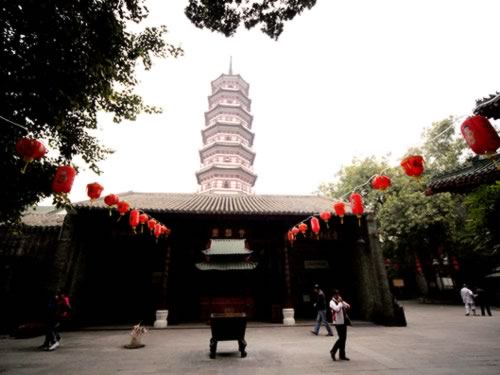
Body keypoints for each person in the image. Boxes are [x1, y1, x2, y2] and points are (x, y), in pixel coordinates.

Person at [329, 289, 351, 361]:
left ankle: (342, 355)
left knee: (344, 339)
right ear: (333, 295)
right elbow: (337, 309)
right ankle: (333, 350)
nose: (337, 295)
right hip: (338, 322)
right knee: (341, 338)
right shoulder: (331, 302)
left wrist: (342, 302)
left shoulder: (340, 301)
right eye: (336, 294)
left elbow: (348, 306)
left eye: (338, 294)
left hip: (344, 321)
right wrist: (340, 303)